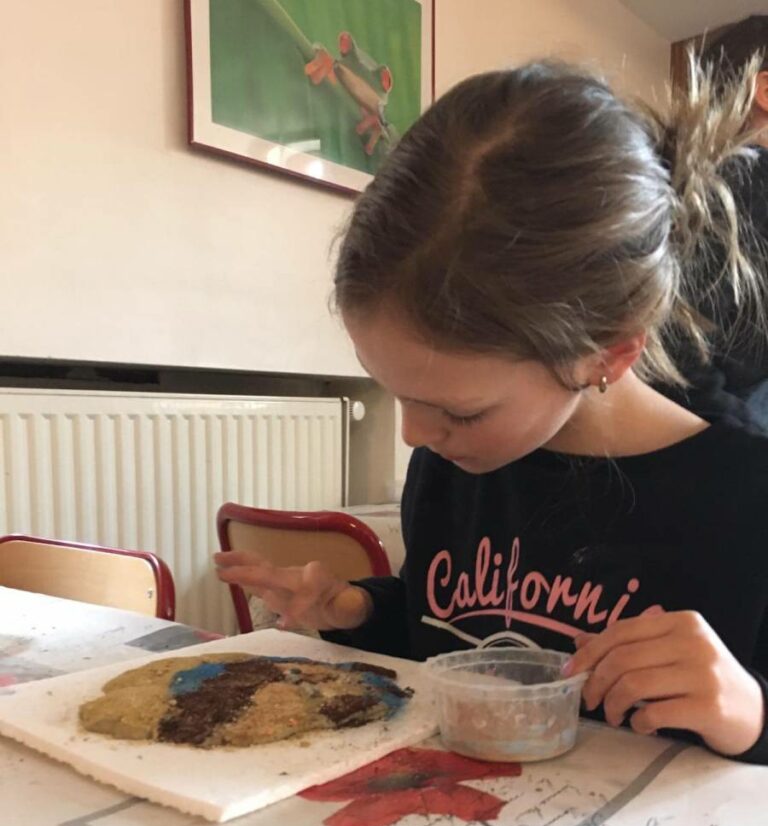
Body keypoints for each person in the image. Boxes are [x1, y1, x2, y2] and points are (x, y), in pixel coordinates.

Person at [216, 57, 768, 764]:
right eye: (394, 393)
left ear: (607, 352)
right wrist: (356, 610)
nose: (415, 435)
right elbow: (443, 633)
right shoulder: (454, 467)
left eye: (462, 412)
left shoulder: (744, 500)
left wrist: (750, 712)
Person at [659, 15, 768, 428]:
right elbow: (677, 346)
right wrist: (744, 438)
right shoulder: (747, 177)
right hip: (725, 412)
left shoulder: (680, 178)